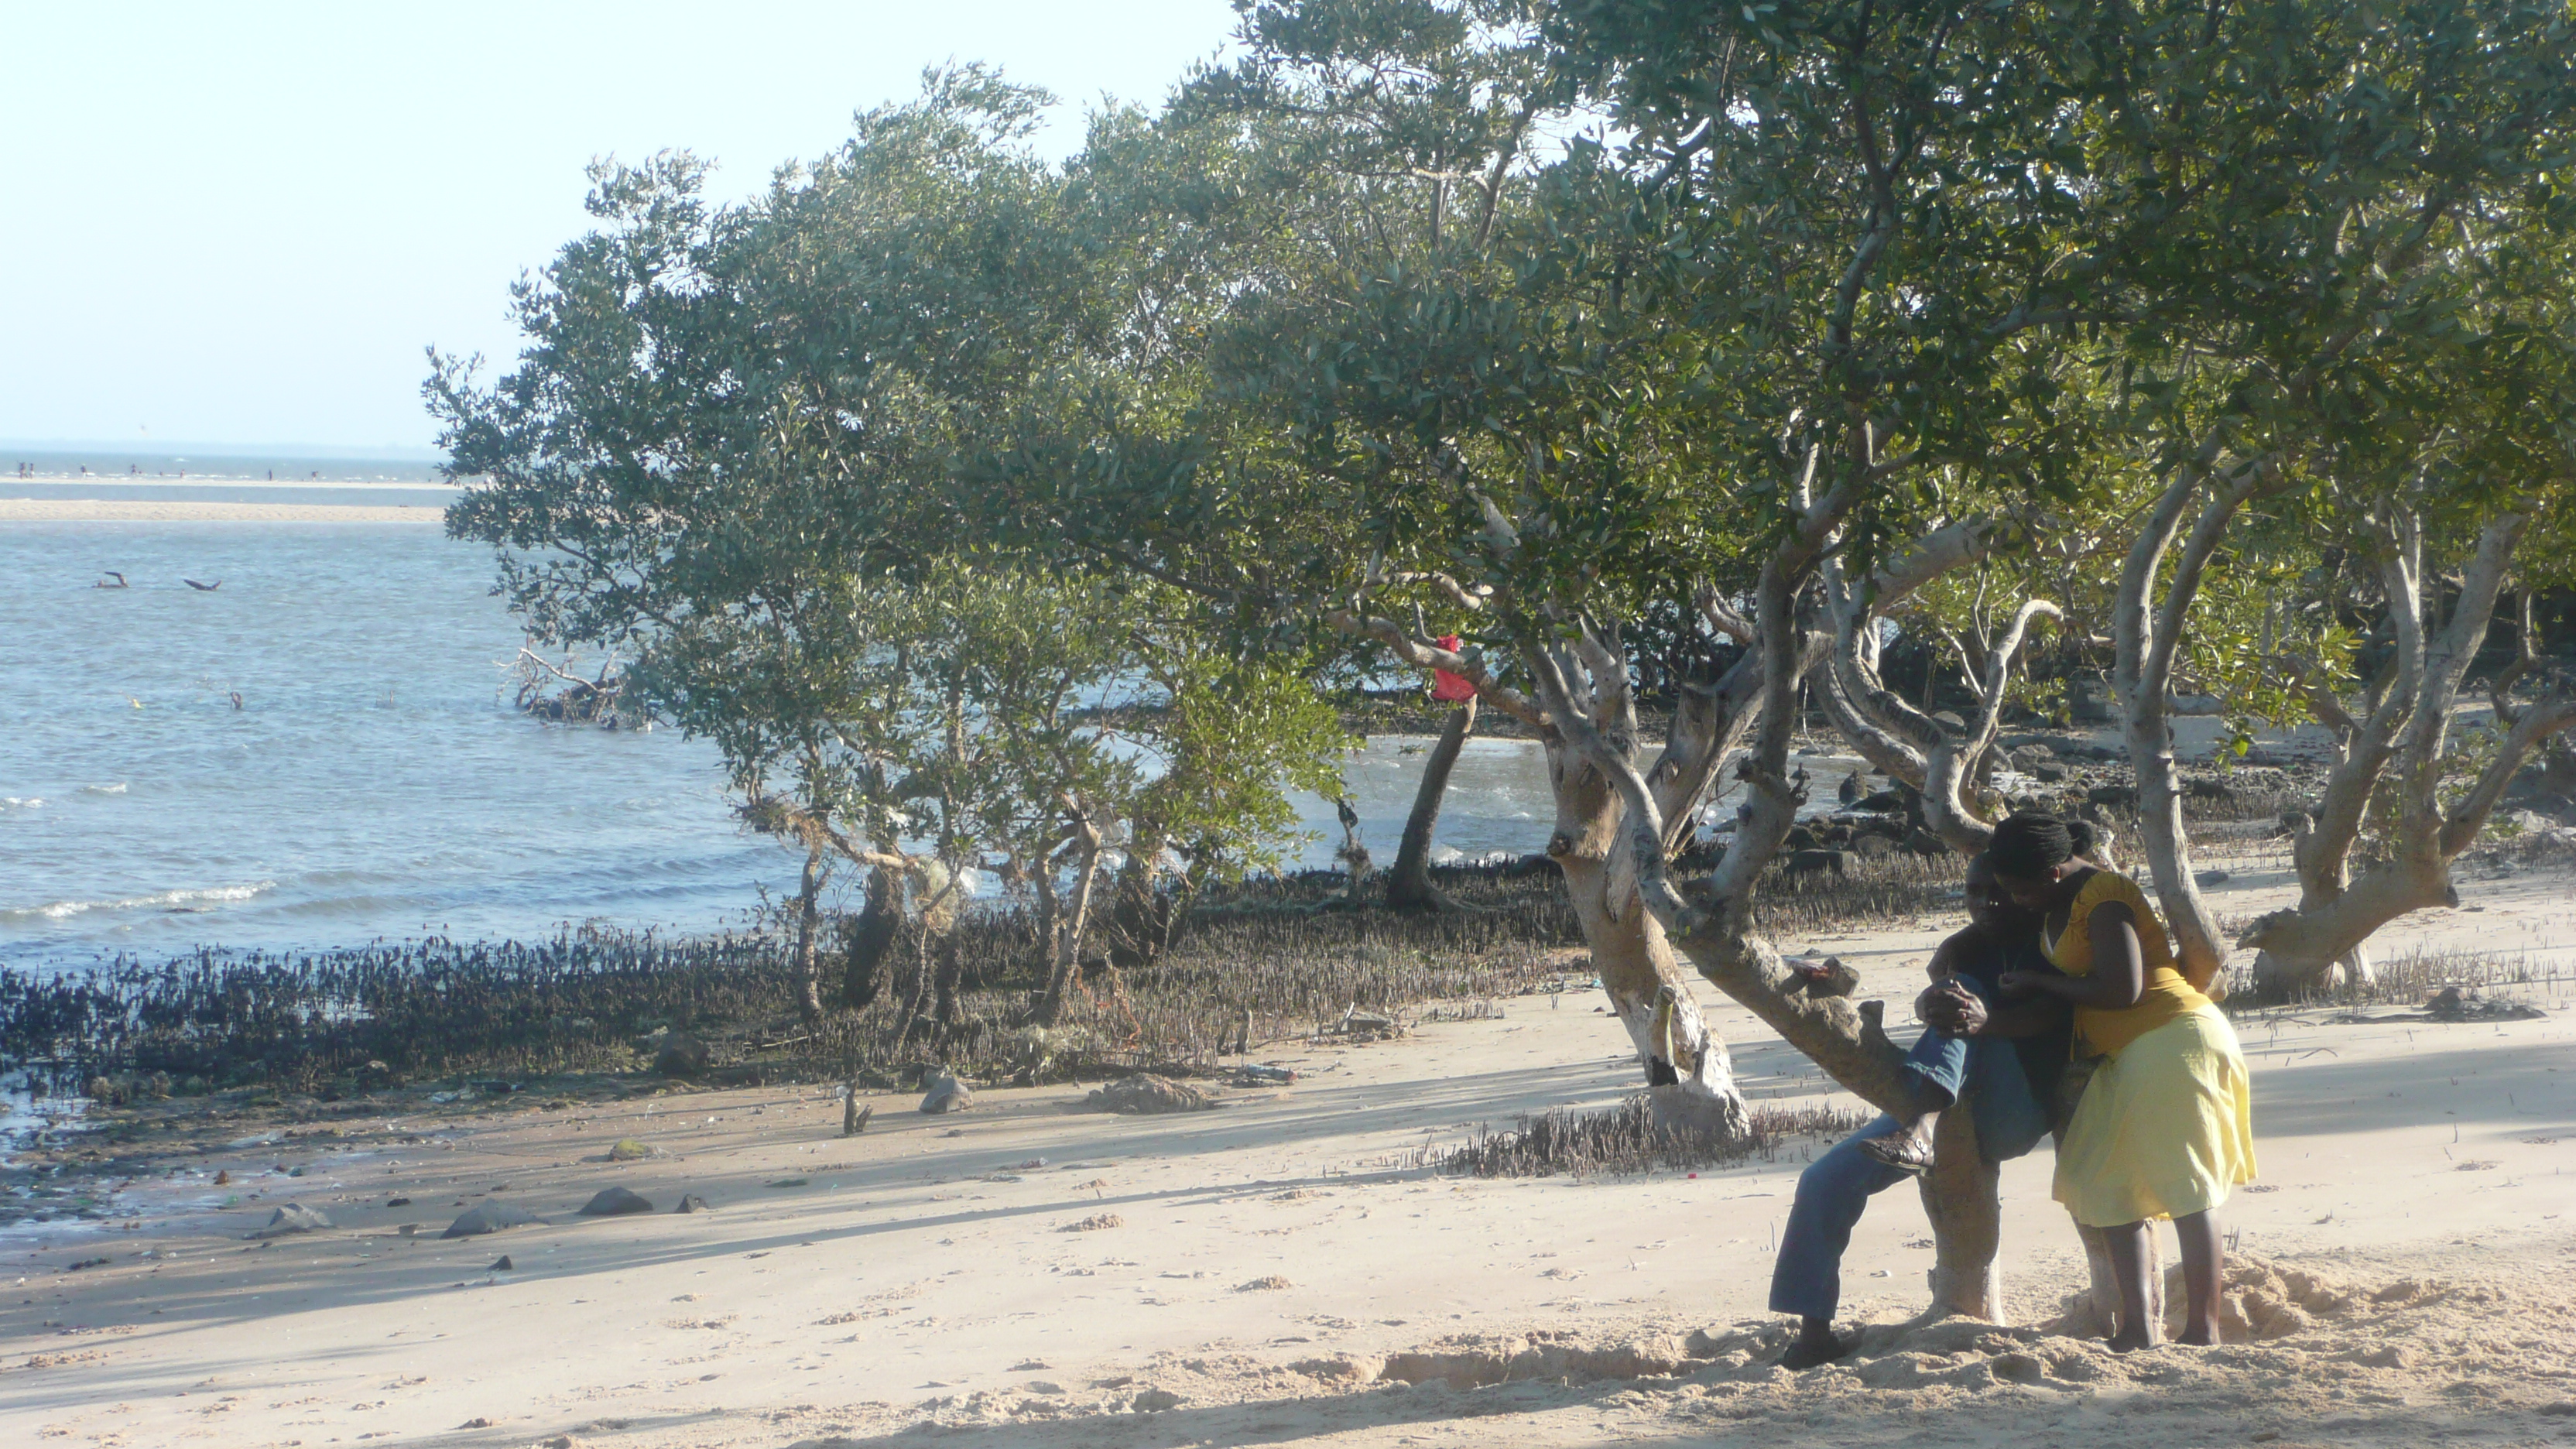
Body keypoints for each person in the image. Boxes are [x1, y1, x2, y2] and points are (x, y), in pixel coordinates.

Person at [1769, 853, 2072, 1368]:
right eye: (1974, 893)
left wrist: (1985, 1020)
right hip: (1948, 1096)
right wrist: (1929, 1002)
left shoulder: (2050, 943)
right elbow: (1932, 1004)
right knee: (1822, 1181)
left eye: (1998, 891)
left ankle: (1922, 1128)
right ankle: (1814, 1333)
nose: (1986, 903)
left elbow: (2056, 1016)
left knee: (1969, 991)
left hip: (2014, 1108)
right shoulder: (1963, 948)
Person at [1986, 812, 2256, 1350]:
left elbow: (2123, 989)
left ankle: (2203, 1330)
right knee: (2105, 1184)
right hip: (2126, 1053)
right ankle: (2138, 1327)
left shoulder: (2104, 897)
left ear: (2054, 873)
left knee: (2188, 1186)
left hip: (2173, 1038)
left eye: (2021, 890)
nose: (2016, 901)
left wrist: (2041, 980)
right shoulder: (2058, 900)